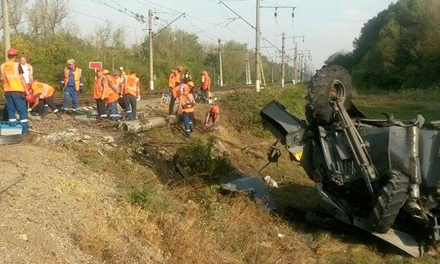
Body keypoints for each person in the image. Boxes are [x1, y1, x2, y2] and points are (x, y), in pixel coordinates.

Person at [1, 48, 30, 134]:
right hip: (17, 90)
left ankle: (13, 130)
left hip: (7, 91)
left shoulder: (2, 66)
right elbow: (22, 78)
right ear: (15, 56)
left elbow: (3, 78)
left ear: (8, 56)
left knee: (11, 110)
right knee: (22, 110)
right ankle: (24, 131)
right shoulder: (17, 65)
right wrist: (26, 90)